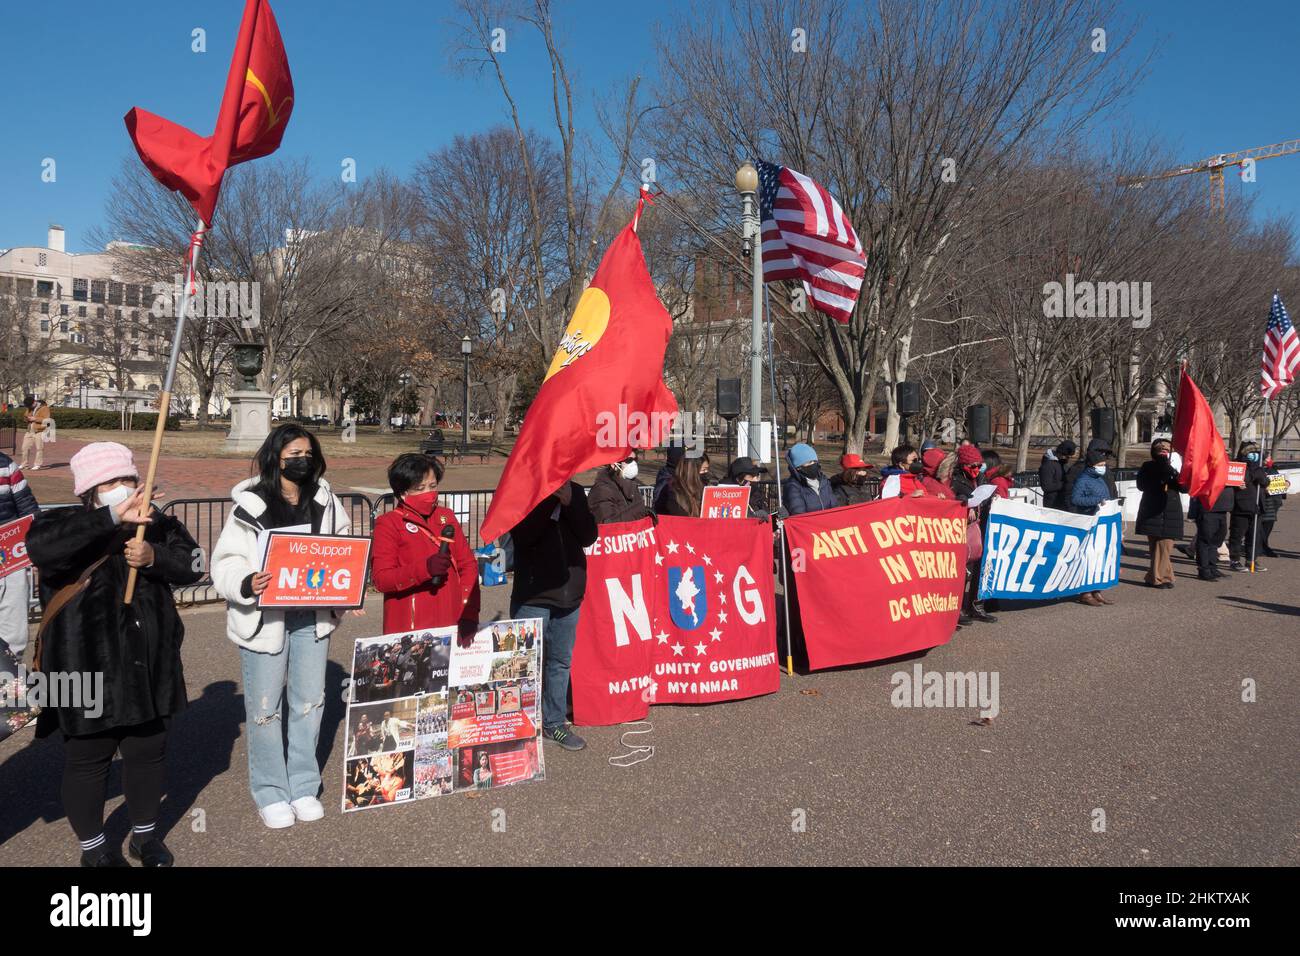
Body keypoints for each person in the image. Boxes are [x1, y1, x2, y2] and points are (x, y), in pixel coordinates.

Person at [26, 442, 202, 867]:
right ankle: (94, 849)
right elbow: (44, 552)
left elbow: (195, 564)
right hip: (77, 664)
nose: (121, 488)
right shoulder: (60, 522)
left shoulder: (158, 525)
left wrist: (154, 554)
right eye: (110, 482)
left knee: (148, 751)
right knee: (86, 759)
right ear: (89, 490)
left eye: (127, 479)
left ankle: (144, 837)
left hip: (150, 661)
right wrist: (109, 520)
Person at [211, 424, 353, 830]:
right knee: (264, 709)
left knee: (310, 703)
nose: (302, 460)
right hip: (264, 618)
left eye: (308, 453)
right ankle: (271, 791)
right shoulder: (251, 503)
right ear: (276, 456)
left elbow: (341, 545)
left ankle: (304, 784)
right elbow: (226, 560)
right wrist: (245, 582)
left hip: (311, 614)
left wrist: (346, 588)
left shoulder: (325, 498)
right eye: (294, 453)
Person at [508, 479, 597, 751]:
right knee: (523, 664)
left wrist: (571, 502)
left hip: (570, 592)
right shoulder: (524, 489)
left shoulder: (577, 491)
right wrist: (548, 501)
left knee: (559, 662)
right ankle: (518, 724)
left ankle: (554, 723)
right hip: (534, 594)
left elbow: (589, 535)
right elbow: (523, 536)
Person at [370, 453, 480, 636]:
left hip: (451, 617)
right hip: (410, 624)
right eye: (420, 488)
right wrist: (425, 569)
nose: (428, 493)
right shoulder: (388, 523)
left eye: (433, 486)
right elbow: (382, 579)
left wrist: (469, 610)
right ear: (403, 492)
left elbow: (467, 564)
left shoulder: (447, 516)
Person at [0, 450, 40, 670]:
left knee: (14, 633)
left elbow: (29, 510)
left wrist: (37, 550)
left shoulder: (5, 465)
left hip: (11, 561)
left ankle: (9, 681)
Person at [950, 444, 995, 624]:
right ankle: (958, 608)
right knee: (964, 570)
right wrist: (965, 503)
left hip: (980, 527)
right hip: (963, 529)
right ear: (962, 465)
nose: (976, 469)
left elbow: (986, 494)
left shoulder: (981, 477)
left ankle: (976, 605)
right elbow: (952, 498)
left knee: (980, 568)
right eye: (972, 466)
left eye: (979, 465)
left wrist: (993, 499)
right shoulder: (955, 479)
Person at [1069, 446, 1116, 606]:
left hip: (1101, 523)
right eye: (1101, 464)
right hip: (1088, 522)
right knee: (1088, 558)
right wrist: (1094, 501)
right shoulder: (1083, 480)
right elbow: (1075, 499)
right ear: (1092, 465)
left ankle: (1097, 590)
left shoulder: (1099, 478)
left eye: (1104, 464)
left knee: (1099, 558)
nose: (1104, 467)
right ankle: (1085, 592)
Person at [1135, 438, 1183, 589]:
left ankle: (1157, 576)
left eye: (1167, 451)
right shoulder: (1148, 466)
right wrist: (1160, 477)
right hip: (1153, 509)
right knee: (1157, 545)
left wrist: (1173, 473)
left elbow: (1184, 488)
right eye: (1161, 451)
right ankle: (1158, 578)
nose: (1164, 454)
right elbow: (1141, 485)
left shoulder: (1174, 467)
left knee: (1165, 545)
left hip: (1170, 510)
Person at [1228, 441, 1271, 571]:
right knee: (1237, 535)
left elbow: (1265, 481)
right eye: (1252, 453)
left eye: (1256, 453)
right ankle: (1234, 560)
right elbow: (1237, 480)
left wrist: (1260, 475)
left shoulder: (1258, 468)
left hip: (1256, 507)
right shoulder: (1237, 465)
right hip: (1241, 507)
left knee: (1254, 536)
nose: (1254, 456)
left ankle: (1251, 559)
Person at [588, 452, 653, 524]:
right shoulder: (601, 491)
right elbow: (607, 523)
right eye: (628, 460)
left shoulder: (632, 486)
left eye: (635, 459)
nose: (633, 463)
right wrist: (640, 512)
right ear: (613, 465)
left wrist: (645, 513)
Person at [1191, 486, 1233, 581]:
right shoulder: (1209, 471)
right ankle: (1204, 570)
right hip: (1208, 507)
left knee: (1217, 539)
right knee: (1205, 540)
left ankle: (1212, 567)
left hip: (1222, 508)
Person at [782, 443, 837, 514]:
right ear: (799, 467)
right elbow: (799, 514)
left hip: (829, 523)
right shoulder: (793, 486)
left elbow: (835, 507)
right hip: (811, 524)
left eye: (815, 461)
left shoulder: (824, 481)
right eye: (809, 462)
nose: (813, 464)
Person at [655, 450, 708, 517]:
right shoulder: (673, 491)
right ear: (692, 471)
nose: (706, 472)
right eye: (703, 470)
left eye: (707, 469)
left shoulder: (702, 488)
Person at [1259, 456, 1288, 558]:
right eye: (1267, 457)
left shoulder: (1273, 469)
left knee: (1268, 525)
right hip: (1264, 500)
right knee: (1262, 525)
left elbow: (1279, 482)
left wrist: (1286, 484)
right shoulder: (1259, 469)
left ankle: (1263, 546)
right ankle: (1261, 547)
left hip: (1274, 501)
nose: (1269, 459)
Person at [1037, 440, 1076, 510]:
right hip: (1052, 503)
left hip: (1062, 501)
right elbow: (1046, 487)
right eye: (1067, 457)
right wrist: (1065, 484)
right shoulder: (1048, 465)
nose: (1068, 459)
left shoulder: (1062, 464)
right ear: (1061, 454)